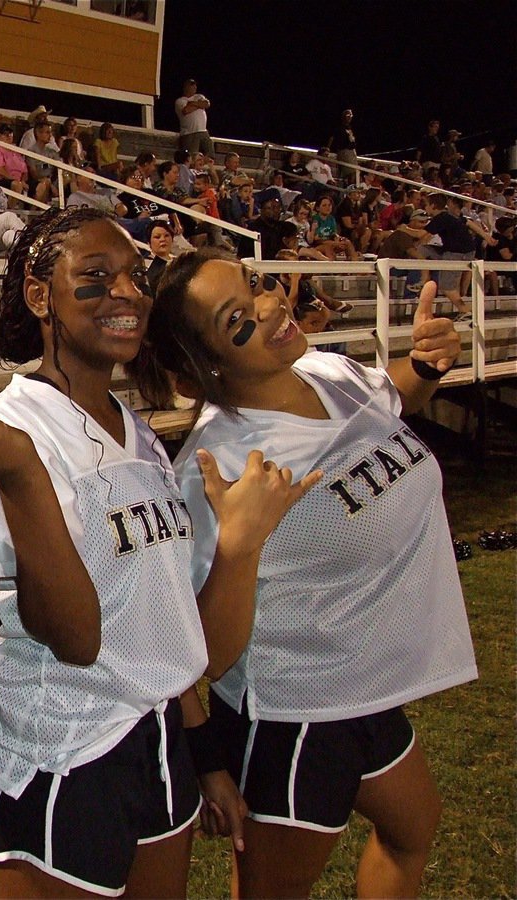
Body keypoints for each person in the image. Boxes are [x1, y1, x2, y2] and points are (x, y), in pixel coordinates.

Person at [0, 206, 312, 898]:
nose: (128, 293)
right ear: (41, 296)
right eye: (97, 277)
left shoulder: (137, 432)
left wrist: (204, 758)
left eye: (135, 277)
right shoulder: (16, 430)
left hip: (158, 738)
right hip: (64, 745)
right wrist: (19, 478)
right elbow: (75, 638)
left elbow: (164, 627)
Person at [133, 249, 477, 899]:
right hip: (292, 715)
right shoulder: (219, 465)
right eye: (239, 320)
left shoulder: (325, 370)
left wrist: (427, 366)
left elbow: (392, 397)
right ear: (204, 369)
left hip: (363, 685)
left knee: (413, 828)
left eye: (257, 285)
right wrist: (238, 546)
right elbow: (198, 655)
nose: (271, 306)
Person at [175, 78, 213, 156]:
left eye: (195, 85)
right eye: (192, 85)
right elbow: (186, 110)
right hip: (190, 133)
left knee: (210, 155)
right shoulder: (180, 101)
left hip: (203, 131)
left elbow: (206, 104)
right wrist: (199, 105)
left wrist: (192, 103)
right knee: (192, 156)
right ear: (186, 87)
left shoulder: (199, 96)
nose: (195, 87)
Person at [0, 123, 28, 197]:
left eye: (10, 133)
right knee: (16, 185)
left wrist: (23, 181)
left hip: (18, 181)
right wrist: (18, 181)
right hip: (2, 181)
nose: (8, 136)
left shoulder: (16, 151)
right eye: (4, 134)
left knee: (40, 186)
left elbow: (25, 171)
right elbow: (0, 170)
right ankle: (10, 207)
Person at [145, 220, 174, 296]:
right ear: (149, 243)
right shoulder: (144, 266)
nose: (162, 239)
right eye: (157, 237)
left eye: (167, 235)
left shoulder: (181, 263)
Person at [329, 108, 358, 181]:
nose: (350, 117)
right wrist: (328, 149)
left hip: (351, 151)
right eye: (348, 115)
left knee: (354, 171)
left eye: (351, 115)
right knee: (350, 172)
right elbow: (332, 138)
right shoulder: (339, 127)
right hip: (344, 151)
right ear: (343, 116)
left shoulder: (349, 127)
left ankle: (350, 186)